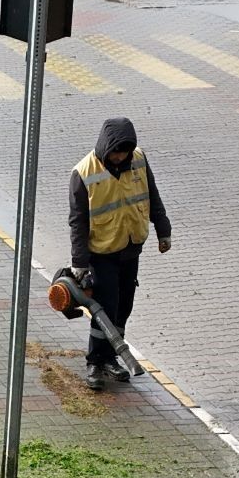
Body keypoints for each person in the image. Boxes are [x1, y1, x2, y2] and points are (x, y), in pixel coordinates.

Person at [67, 116, 173, 392]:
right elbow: (78, 222)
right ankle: (95, 361)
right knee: (105, 309)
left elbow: (152, 195)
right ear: (105, 147)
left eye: (124, 152)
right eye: (115, 152)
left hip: (130, 248)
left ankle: (111, 358)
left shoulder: (138, 159)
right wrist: (79, 263)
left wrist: (163, 229)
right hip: (101, 253)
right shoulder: (83, 173)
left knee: (124, 306)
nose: (120, 157)